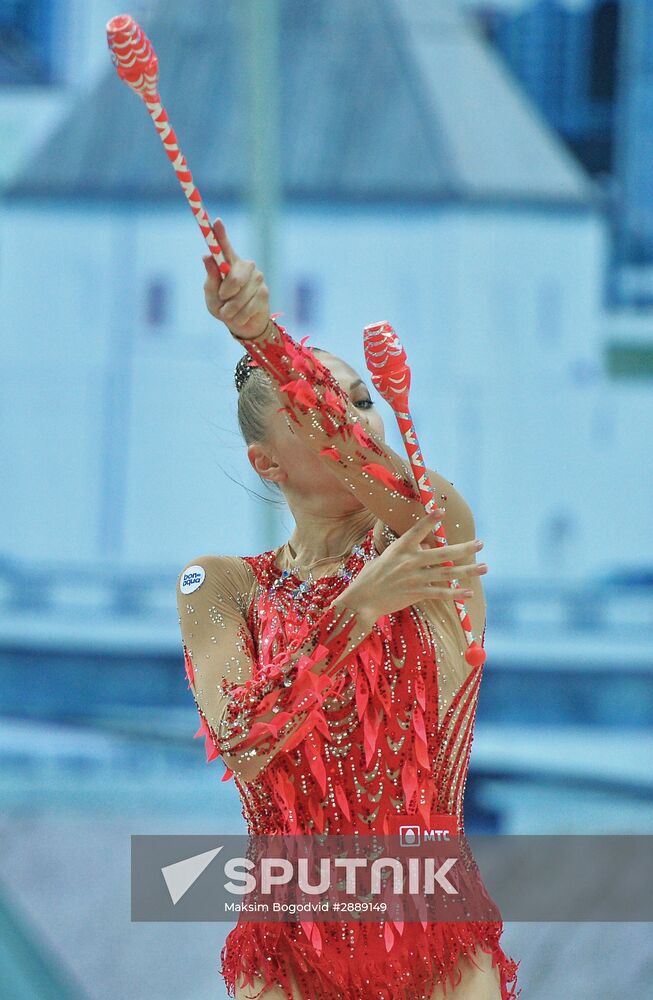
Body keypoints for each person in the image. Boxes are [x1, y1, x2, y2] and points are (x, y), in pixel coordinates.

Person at [176, 218, 520, 1000]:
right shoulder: (224, 586)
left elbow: (366, 463)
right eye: (320, 412)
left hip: (434, 933)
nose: (355, 421)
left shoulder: (430, 531)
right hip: (287, 951)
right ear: (267, 465)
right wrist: (355, 611)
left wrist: (266, 339)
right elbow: (243, 745)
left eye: (362, 400)